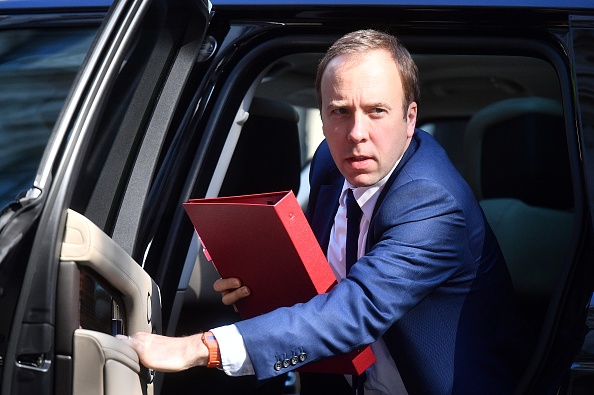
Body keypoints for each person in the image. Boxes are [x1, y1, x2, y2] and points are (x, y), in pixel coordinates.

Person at [120, 29, 533, 394]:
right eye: (340, 111)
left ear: (410, 119)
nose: (356, 134)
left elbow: (356, 308)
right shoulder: (329, 166)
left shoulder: (433, 202)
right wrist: (261, 287)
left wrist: (198, 347)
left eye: (377, 111)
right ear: (323, 118)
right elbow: (321, 277)